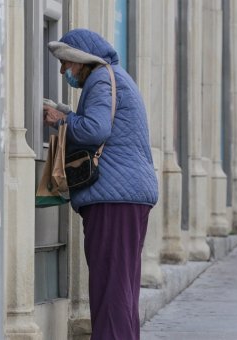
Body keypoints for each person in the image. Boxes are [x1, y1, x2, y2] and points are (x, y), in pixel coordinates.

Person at [42, 29, 158, 340]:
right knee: (120, 286)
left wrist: (60, 121)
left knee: (110, 286)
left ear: (82, 60)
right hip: (125, 196)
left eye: (67, 63)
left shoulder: (102, 79)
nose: (65, 70)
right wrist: (69, 113)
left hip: (114, 198)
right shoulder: (113, 77)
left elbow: (95, 130)